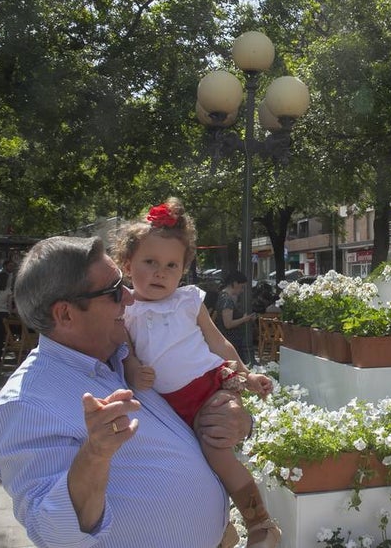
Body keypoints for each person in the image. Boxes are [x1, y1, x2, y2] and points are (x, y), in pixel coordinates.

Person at [0, 235, 253, 548]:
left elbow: (208, 401)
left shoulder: (132, 352)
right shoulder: (25, 405)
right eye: (114, 292)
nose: (129, 297)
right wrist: (95, 455)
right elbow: (54, 533)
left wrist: (240, 419)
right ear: (65, 315)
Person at [114, 199, 280, 548]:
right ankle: (220, 530)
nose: (161, 272)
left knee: (217, 449)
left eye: (172, 265)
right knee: (191, 471)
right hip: (170, 408)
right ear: (127, 264)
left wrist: (246, 376)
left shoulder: (188, 301)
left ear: (184, 268)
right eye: (150, 262)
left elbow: (218, 344)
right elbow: (124, 349)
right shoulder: (125, 310)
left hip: (209, 388)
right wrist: (132, 370)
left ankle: (261, 524)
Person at [216, 271, 257, 363]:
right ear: (234, 284)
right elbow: (228, 324)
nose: (242, 290)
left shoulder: (223, 296)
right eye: (242, 287)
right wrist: (244, 319)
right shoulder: (227, 300)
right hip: (231, 339)